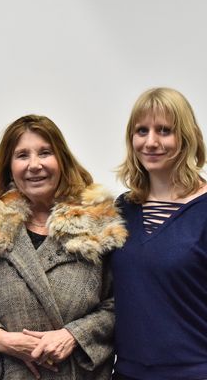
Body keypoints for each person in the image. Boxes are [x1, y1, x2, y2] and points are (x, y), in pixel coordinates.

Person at [0, 115, 127, 380]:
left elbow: (118, 304)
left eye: (45, 153)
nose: (34, 165)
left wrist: (73, 336)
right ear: (9, 166)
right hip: (7, 372)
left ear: (61, 160)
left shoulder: (98, 223)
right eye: (22, 155)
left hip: (77, 372)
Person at [110, 87, 207, 380]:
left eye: (164, 130)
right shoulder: (123, 208)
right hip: (126, 372)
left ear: (186, 138)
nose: (151, 142)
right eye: (142, 130)